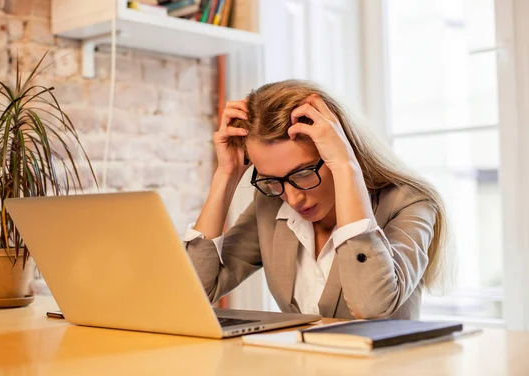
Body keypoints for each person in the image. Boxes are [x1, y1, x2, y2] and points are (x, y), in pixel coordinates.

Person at [184, 79, 452, 320]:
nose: (292, 197)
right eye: (271, 179)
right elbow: (194, 291)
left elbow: (371, 306)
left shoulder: (410, 204)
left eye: (302, 173)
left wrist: (346, 166)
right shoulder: (271, 202)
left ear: (340, 149)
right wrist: (226, 174)